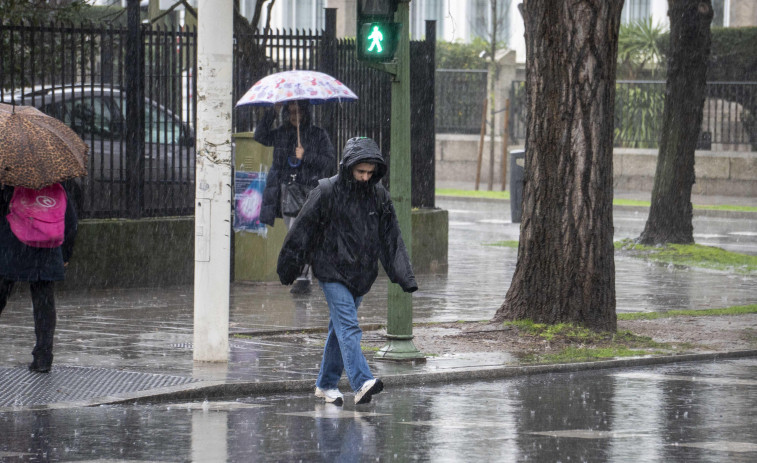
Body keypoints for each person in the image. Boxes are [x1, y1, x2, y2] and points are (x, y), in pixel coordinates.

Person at [277, 137, 418, 406]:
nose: (365, 177)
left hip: (361, 274)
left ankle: (326, 384)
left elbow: (392, 239)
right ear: (348, 167)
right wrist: (289, 267)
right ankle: (362, 381)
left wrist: (404, 276)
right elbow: (301, 231)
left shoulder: (379, 197)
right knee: (349, 326)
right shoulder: (326, 191)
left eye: (369, 172)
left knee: (339, 328)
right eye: (360, 171)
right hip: (330, 271)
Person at [254, 100, 336, 294]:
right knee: (294, 233)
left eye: (298, 111)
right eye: (290, 111)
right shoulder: (281, 134)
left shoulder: (317, 134)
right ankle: (303, 274)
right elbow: (261, 136)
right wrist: (272, 112)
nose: (294, 116)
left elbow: (328, 161)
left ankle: (303, 276)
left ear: (306, 112)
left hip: (309, 192)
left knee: (303, 232)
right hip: (287, 192)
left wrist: (305, 156)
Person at [0, 183, 78, 373]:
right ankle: (43, 357)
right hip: (47, 252)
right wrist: (65, 255)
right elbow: (71, 222)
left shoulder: (8, 188)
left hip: (12, 250)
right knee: (44, 305)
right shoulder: (57, 188)